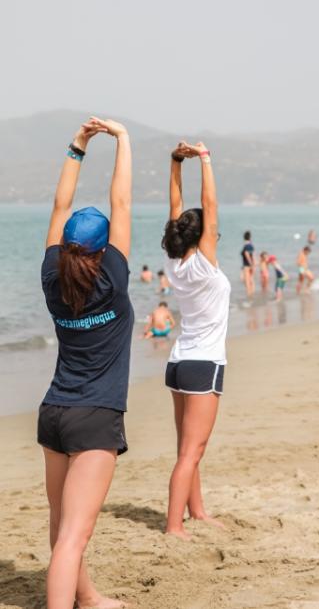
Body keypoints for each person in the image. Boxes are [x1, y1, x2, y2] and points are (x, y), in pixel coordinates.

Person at [38, 117, 132, 609]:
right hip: (94, 417)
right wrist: (123, 140)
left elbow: (59, 207)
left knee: (62, 526)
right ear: (102, 249)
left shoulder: (52, 278)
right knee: (74, 536)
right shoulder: (112, 279)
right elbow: (123, 203)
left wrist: (77, 146)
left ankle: (88, 596)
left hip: (54, 412)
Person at [161, 140, 230, 540]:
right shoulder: (204, 263)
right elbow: (210, 203)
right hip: (203, 364)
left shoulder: (175, 261)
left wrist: (174, 162)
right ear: (203, 236)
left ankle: (197, 510)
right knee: (191, 451)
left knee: (188, 447)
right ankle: (174, 526)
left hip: (178, 363)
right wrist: (204, 158)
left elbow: (176, 209)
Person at [241, 230, 255, 298]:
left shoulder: (246, 246)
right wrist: (253, 264)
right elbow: (253, 255)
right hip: (250, 265)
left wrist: (250, 264)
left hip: (247, 265)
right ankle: (252, 295)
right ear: (250, 237)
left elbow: (247, 255)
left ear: (244, 237)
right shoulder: (251, 245)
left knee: (246, 281)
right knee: (251, 280)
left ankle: (249, 296)